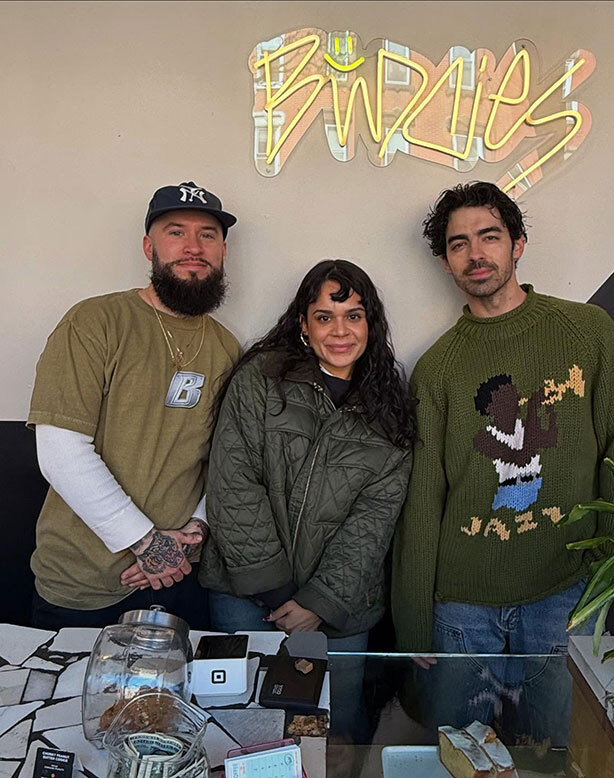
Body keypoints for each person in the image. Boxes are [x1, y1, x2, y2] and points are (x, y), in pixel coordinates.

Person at [391, 182, 614, 737]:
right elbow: (424, 500)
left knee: (563, 753)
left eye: (489, 236)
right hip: (462, 604)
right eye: (458, 244)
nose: (475, 254)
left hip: (566, 591)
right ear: (445, 261)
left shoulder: (588, 332)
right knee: (460, 756)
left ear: (518, 244)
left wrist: (612, 573)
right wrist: (411, 618)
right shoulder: (436, 368)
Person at [27, 181, 241, 630]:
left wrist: (193, 533)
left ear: (223, 251)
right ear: (149, 247)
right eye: (175, 232)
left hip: (182, 576)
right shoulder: (94, 322)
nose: (193, 246)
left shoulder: (226, 347)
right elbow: (61, 452)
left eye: (207, 235)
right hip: (84, 583)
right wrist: (146, 543)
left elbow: (224, 460)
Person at [200, 259, 416, 650]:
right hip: (244, 596)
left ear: (371, 324)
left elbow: (373, 524)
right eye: (324, 317)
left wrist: (318, 602)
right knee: (242, 692)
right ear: (304, 324)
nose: (340, 331)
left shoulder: (390, 413)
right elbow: (233, 482)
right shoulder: (261, 379)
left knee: (335, 695)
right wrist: (276, 589)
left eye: (353, 316)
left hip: (340, 609)